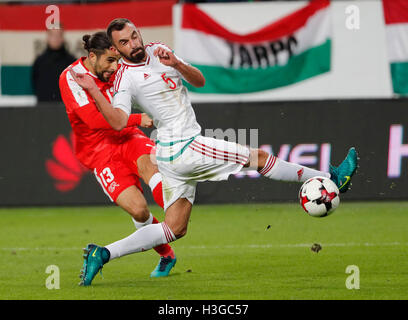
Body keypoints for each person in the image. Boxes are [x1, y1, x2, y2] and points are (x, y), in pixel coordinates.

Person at [70, 19, 358, 285]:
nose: (133, 43)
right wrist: (95, 92)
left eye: (134, 36)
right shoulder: (124, 79)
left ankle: (103, 254)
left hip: (171, 157)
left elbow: (199, 81)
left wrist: (179, 65)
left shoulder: (159, 50)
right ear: (117, 50)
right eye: (124, 43)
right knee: (256, 157)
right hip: (184, 146)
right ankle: (331, 177)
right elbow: (119, 121)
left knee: (174, 228)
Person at [59, 31, 177, 286]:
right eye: (109, 62)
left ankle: (176, 217)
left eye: (117, 61)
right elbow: (92, 120)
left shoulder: (117, 66)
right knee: (139, 210)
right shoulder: (71, 77)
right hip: (99, 152)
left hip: (128, 137)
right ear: (92, 56)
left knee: (151, 169)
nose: (115, 67)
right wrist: (136, 118)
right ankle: (167, 255)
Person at [33, 27, 76, 102]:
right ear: (47, 37)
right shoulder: (39, 62)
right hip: (43, 108)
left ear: (63, 38)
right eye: (52, 35)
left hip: (66, 108)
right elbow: (34, 83)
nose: (56, 38)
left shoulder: (71, 62)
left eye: (58, 35)